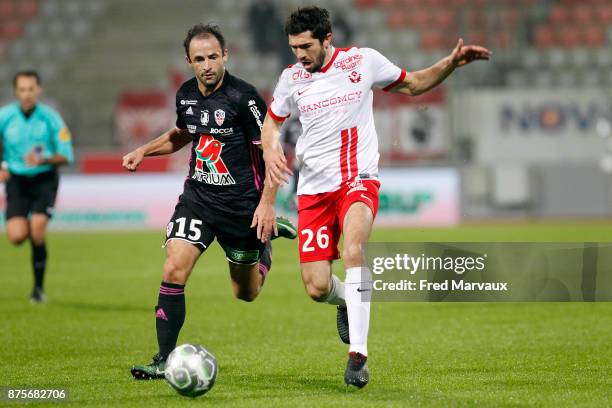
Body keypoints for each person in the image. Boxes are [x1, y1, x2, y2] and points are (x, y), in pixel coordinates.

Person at [260, 6, 491, 388]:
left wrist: (450, 64)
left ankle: (358, 356)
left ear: (327, 39)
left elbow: (414, 83)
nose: (299, 54)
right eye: (293, 47)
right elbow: (272, 121)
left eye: (306, 46)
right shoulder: (291, 79)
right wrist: (270, 148)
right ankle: (346, 302)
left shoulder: (362, 62)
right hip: (314, 190)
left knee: (354, 250)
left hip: (358, 179)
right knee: (317, 287)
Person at [122, 23, 297, 380]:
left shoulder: (244, 98)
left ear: (225, 56)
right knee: (174, 268)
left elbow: (272, 152)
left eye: (213, 57)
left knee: (244, 293)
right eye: (199, 59)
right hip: (198, 200)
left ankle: (265, 244)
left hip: (242, 208)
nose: (207, 65)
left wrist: (266, 205)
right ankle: (164, 359)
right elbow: (182, 134)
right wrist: (144, 150)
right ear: (188, 61)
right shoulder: (186, 94)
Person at [0, 70, 74, 303]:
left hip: (44, 179)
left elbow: (66, 155)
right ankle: (32, 229)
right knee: (16, 236)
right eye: (22, 89)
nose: (26, 94)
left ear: (38, 90)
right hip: (17, 180)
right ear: (16, 91)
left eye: (30, 89)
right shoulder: (5, 116)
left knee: (38, 230)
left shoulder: (51, 119)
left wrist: (45, 159)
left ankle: (38, 290)